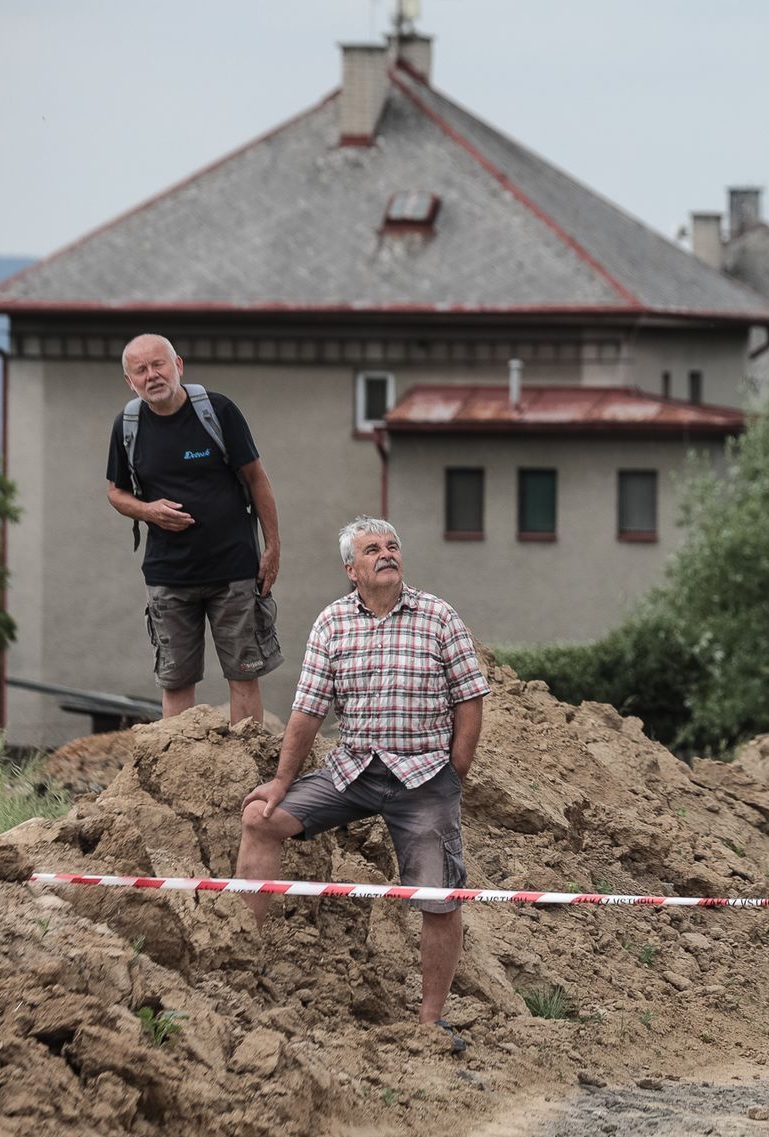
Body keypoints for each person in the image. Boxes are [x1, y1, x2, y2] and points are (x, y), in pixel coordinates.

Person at [235, 516, 490, 1042]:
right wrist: (281, 782)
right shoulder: (332, 624)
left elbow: (470, 697)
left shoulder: (438, 617)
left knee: (438, 897)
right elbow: (307, 711)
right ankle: (239, 975)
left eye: (393, 545)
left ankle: (430, 1021)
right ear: (352, 569)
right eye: (372, 549)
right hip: (353, 771)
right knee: (260, 821)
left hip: (423, 776)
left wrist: (454, 771)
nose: (386, 554)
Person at [107, 334, 283, 723]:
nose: (152, 375)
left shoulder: (217, 411)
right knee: (175, 681)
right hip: (169, 575)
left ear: (178, 366)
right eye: (141, 370)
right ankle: (178, 775)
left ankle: (248, 770)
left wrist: (272, 547)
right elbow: (115, 493)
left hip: (235, 569)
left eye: (159, 364)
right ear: (129, 381)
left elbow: (257, 477)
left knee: (244, 675)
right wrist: (148, 511)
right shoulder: (128, 425)